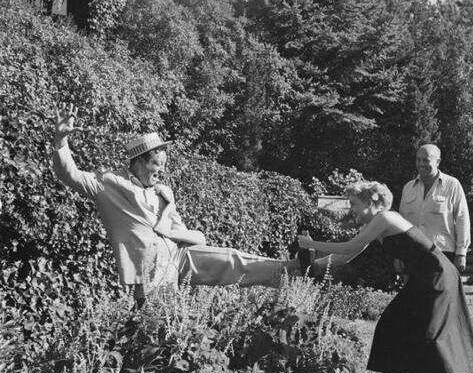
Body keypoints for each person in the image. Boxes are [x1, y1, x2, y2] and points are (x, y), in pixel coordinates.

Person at [52, 103, 301, 305]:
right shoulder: (109, 184)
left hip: (179, 254)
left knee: (231, 259)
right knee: (159, 324)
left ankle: (292, 270)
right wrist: (61, 140)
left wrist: (171, 226)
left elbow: (185, 232)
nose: (161, 170)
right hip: (151, 270)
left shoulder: (164, 193)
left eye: (164, 165)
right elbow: (69, 174)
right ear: (139, 162)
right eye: (157, 164)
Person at [298, 181, 473, 373]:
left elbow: (348, 247)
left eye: (354, 204)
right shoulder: (375, 224)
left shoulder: (385, 218)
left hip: (438, 278)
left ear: (371, 202)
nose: (351, 209)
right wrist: (313, 265)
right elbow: (347, 256)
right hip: (422, 279)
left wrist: (311, 244)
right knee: (389, 327)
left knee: (434, 340)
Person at [399, 144, 470, 273]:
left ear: (438, 162)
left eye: (426, 160)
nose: (421, 164)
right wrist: (399, 254)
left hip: (442, 254)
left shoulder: (452, 185)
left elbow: (462, 219)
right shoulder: (408, 188)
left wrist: (461, 253)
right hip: (412, 254)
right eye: (418, 160)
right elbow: (401, 224)